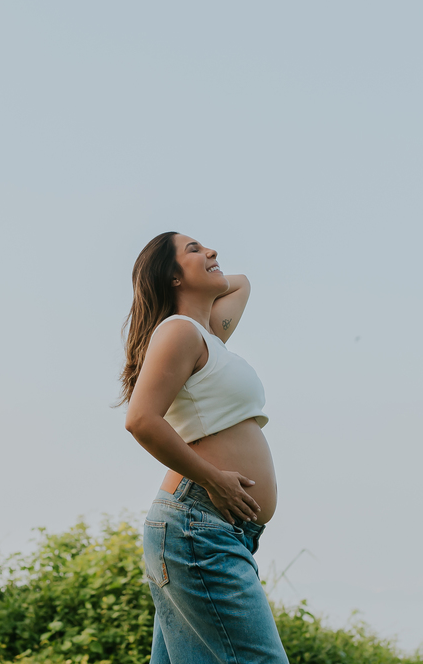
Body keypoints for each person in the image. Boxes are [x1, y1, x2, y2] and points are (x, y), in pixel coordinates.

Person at [120, 231, 287, 664]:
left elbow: (242, 282)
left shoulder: (205, 334)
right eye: (194, 249)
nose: (212, 251)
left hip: (215, 530)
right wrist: (213, 479)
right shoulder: (179, 333)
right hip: (199, 524)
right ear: (171, 276)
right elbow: (140, 420)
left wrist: (203, 277)